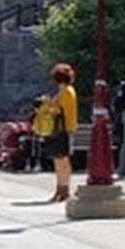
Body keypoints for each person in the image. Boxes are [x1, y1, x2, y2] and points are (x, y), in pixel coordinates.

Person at [46, 63, 79, 203]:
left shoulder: (65, 92)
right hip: (65, 129)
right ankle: (61, 189)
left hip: (62, 129)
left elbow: (61, 111)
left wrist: (48, 106)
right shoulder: (68, 91)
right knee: (60, 160)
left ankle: (63, 189)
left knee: (61, 161)